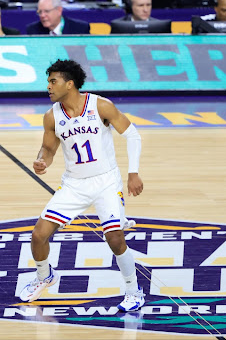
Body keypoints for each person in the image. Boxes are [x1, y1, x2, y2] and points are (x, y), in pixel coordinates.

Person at [19, 59, 145, 312]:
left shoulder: (101, 105)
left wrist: (133, 173)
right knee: (38, 235)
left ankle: (134, 291)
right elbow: (49, 148)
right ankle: (45, 276)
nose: (49, 87)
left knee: (115, 238)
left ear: (70, 83)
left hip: (106, 181)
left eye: (53, 81)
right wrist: (42, 161)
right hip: (74, 184)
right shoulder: (51, 116)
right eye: (48, 82)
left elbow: (132, 134)